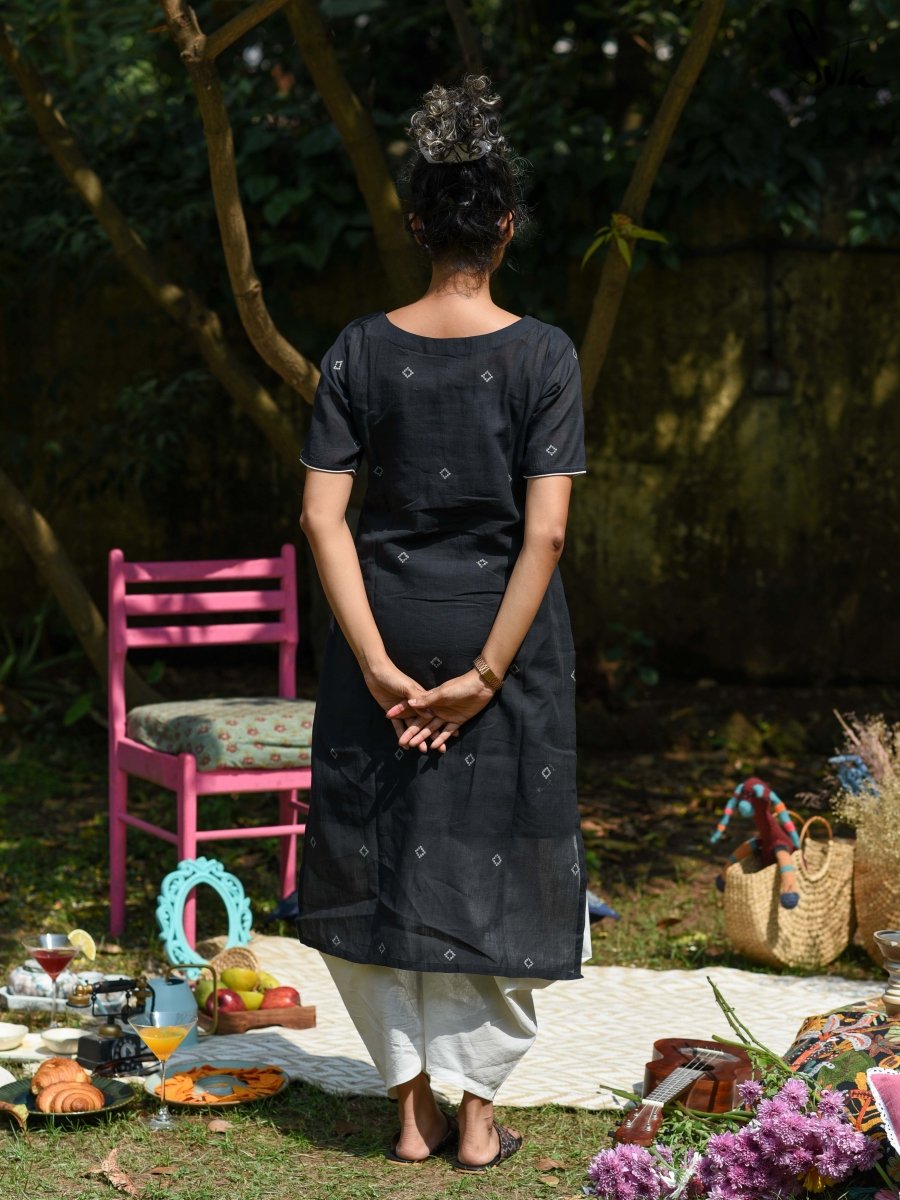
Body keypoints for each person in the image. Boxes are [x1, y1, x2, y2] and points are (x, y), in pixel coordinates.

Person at [297, 74, 589, 1172]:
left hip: (381, 628)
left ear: (418, 228)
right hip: (501, 639)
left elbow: (322, 517)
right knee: (498, 860)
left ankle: (410, 1110)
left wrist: (375, 662)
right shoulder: (545, 355)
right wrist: (486, 674)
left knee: (371, 856)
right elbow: (545, 535)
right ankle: (476, 1120)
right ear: (505, 226)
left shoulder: (357, 349)